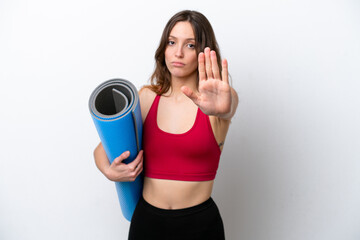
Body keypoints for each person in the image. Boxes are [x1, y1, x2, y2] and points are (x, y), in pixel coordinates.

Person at [93, 10, 238, 240]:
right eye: (172, 42)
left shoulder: (216, 102)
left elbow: (229, 107)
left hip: (200, 227)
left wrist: (227, 106)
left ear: (202, 51)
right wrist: (109, 170)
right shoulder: (147, 97)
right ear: (164, 48)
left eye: (190, 45)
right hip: (147, 224)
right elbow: (102, 150)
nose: (178, 52)